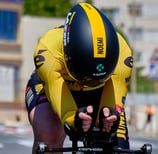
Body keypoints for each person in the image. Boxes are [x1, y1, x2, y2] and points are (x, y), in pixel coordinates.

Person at [25, 2, 133, 154]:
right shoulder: (47, 51)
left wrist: (108, 118)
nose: (88, 82)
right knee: (49, 133)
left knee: (117, 145)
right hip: (55, 86)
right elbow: (65, 111)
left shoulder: (124, 56)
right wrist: (71, 119)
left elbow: (111, 108)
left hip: (102, 90)